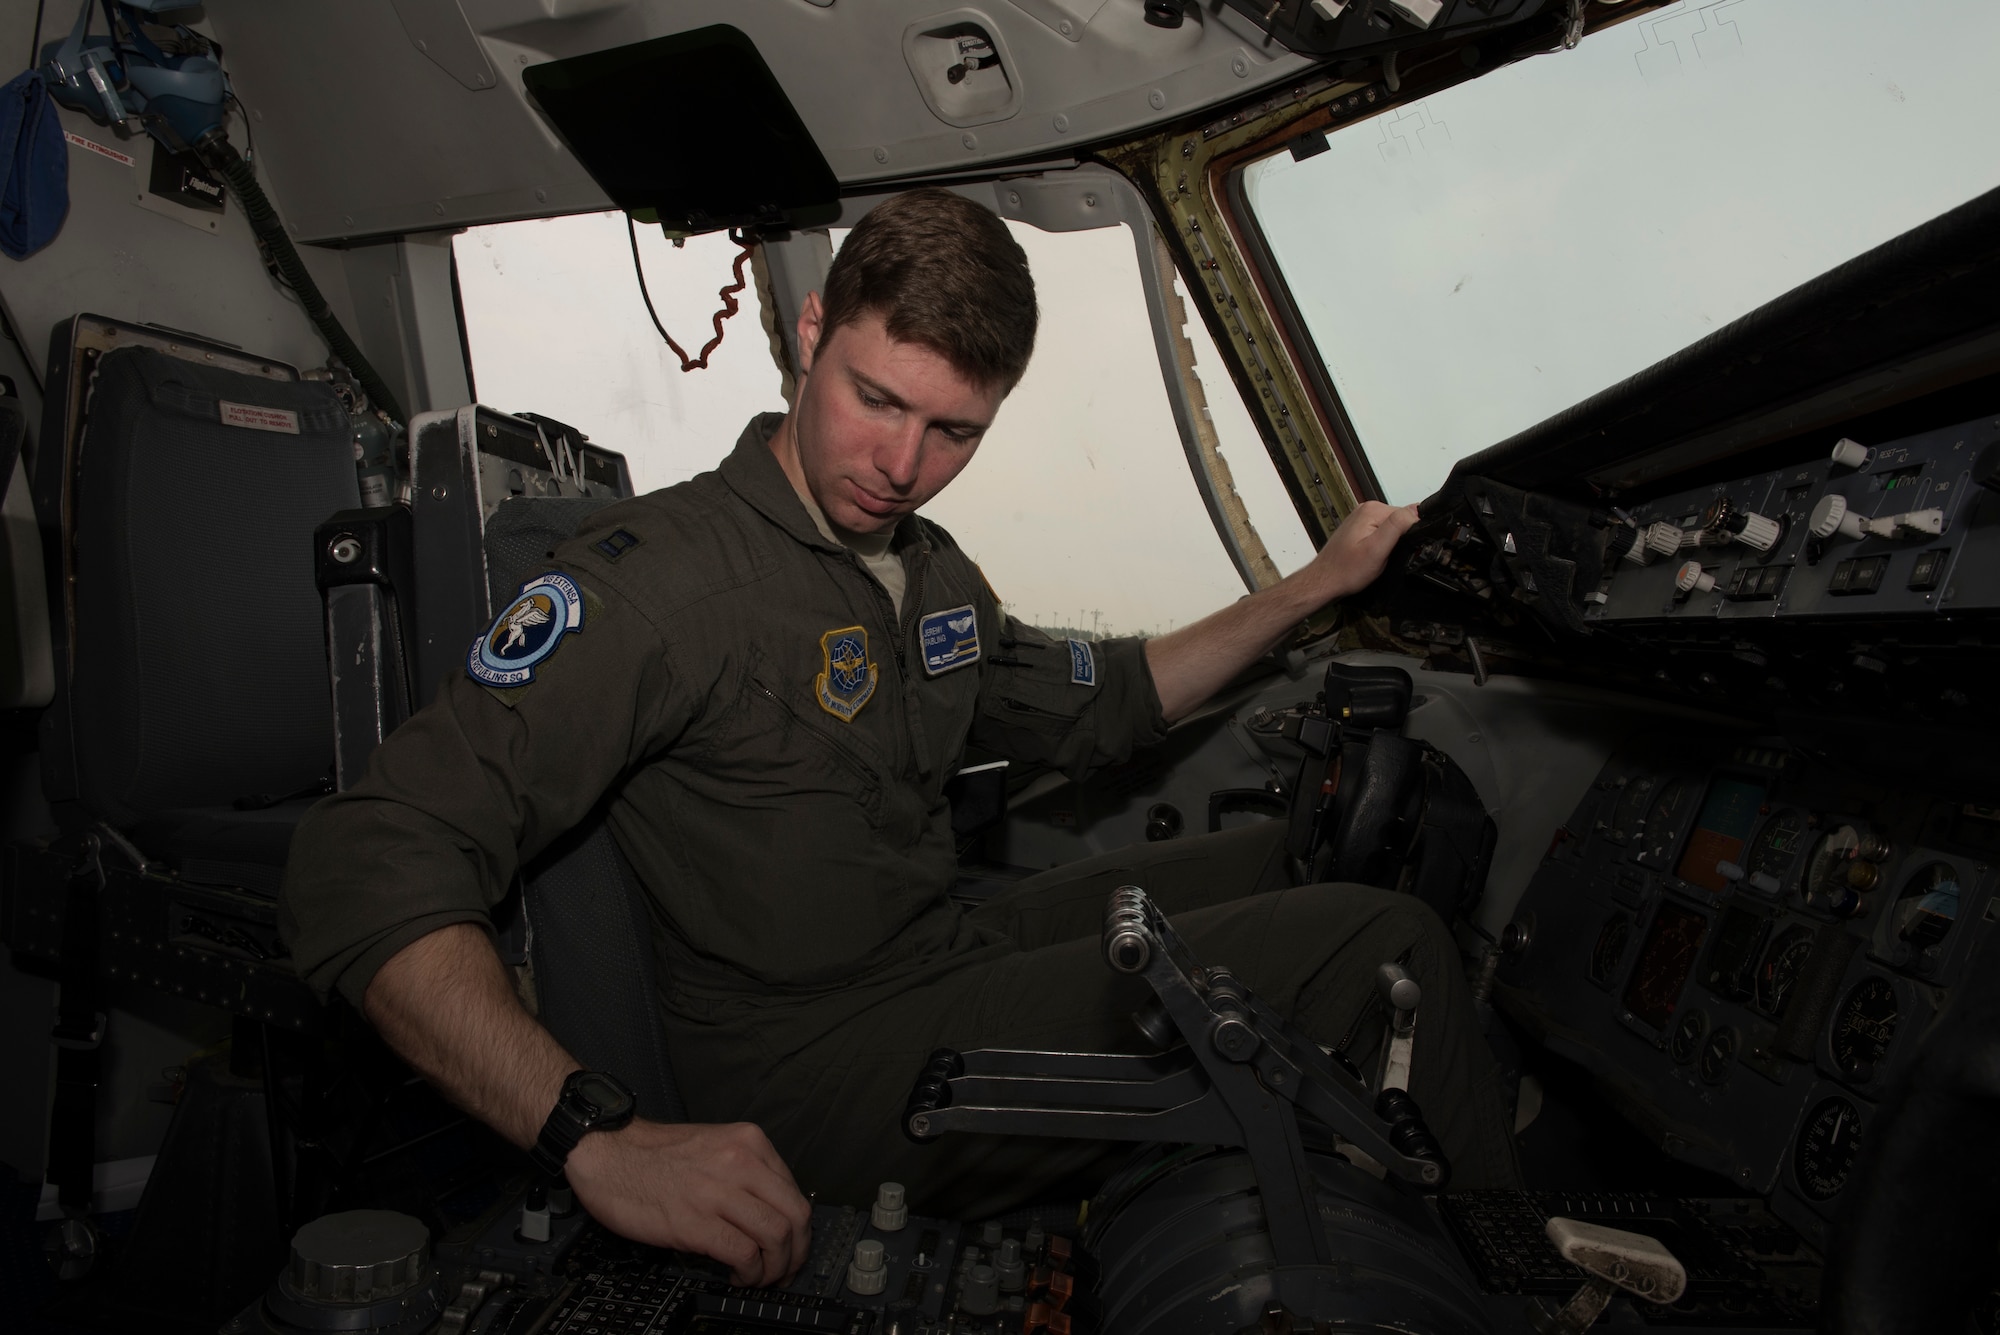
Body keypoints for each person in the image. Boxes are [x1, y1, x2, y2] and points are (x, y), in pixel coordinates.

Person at [279, 188, 1517, 1293]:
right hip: (808, 1066)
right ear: (810, 334)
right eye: (876, 401)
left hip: (934, 953)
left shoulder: (925, 578)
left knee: (1304, 865)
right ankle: (1511, 1281)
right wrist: (594, 1139)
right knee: (1383, 943)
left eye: (952, 433)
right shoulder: (653, 593)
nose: (900, 466)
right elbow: (366, 866)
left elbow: (1101, 703)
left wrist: (1310, 587)